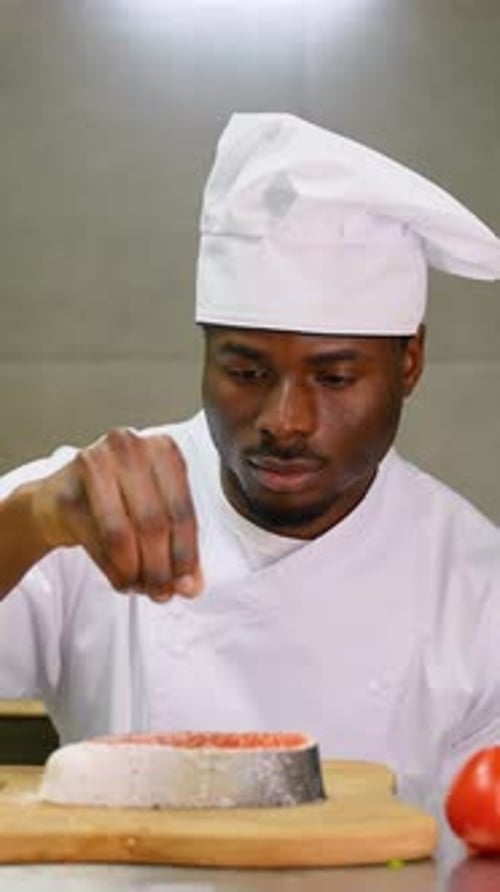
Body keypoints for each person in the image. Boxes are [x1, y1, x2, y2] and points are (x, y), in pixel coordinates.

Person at [0, 113, 499, 811]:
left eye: (333, 377)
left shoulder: (477, 589)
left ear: (408, 361)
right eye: (246, 370)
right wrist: (26, 523)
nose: (283, 421)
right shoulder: (88, 505)